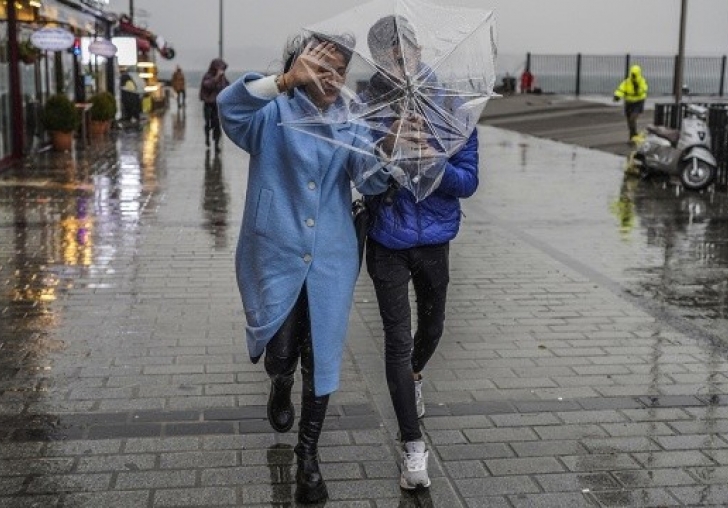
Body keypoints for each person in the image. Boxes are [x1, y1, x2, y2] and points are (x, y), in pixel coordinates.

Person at [217, 34, 390, 504]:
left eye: (341, 70)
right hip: (275, 249)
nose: (334, 79)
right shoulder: (273, 114)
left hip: (331, 257)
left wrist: (387, 150)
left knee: (322, 357)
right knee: (282, 351)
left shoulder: (350, 121)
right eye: (324, 68)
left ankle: (307, 458)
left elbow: (369, 180)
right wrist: (282, 81)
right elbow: (230, 110)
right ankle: (279, 381)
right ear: (301, 69)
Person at [364, 15, 479, 490]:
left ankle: (415, 375)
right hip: (386, 237)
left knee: (432, 327)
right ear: (376, 59)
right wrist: (388, 154)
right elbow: (356, 176)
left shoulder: (452, 105)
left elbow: (469, 182)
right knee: (397, 338)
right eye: (386, 53)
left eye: (402, 50)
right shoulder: (364, 106)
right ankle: (413, 447)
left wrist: (432, 162)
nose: (396, 59)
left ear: (416, 51)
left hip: (434, 239)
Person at [200, 58, 230, 152]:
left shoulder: (223, 78)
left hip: (217, 105)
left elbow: (227, 87)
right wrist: (216, 77)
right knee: (208, 123)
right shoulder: (208, 76)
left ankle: (216, 144)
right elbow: (207, 85)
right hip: (208, 104)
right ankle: (207, 138)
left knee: (217, 125)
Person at [613, 64, 648, 142]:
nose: (633, 76)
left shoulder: (642, 81)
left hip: (638, 102)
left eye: (634, 74)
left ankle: (634, 133)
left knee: (632, 118)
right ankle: (632, 134)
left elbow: (644, 89)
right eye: (632, 74)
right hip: (628, 102)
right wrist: (617, 96)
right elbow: (621, 89)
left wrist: (637, 87)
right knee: (629, 120)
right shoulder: (627, 82)